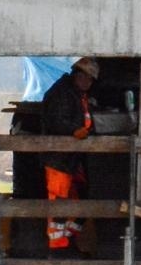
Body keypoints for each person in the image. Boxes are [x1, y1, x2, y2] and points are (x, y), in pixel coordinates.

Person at [41, 57, 99, 253]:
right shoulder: (61, 94)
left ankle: (68, 239)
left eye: (90, 79)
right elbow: (56, 120)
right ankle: (57, 247)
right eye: (85, 77)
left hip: (73, 159)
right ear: (77, 74)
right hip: (59, 159)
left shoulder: (78, 94)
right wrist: (74, 130)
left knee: (80, 199)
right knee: (59, 200)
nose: (87, 82)